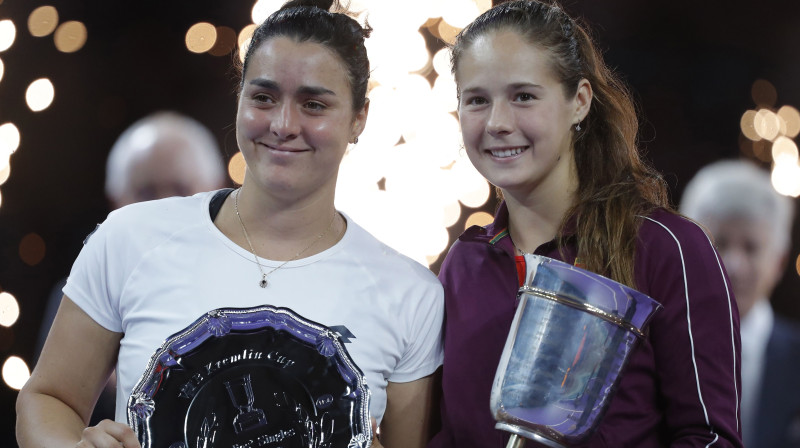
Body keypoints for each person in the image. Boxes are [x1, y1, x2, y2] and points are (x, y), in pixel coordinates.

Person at [16, 1, 444, 447]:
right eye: (263, 97)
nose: (283, 124)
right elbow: (46, 398)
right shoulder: (129, 238)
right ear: (239, 99)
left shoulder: (410, 294)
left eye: (314, 104)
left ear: (359, 119)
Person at [429, 1, 742, 447]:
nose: (497, 123)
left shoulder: (666, 247)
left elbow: (710, 438)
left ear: (579, 101)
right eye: (477, 100)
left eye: (523, 96)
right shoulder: (464, 264)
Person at [32, 110, 228, 426]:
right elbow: (53, 414)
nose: (163, 206)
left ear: (216, 191)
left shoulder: (249, 284)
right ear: (116, 201)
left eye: (181, 190)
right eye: (146, 192)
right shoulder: (82, 296)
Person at [681, 159, 800, 448]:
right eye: (720, 243)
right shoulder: (656, 348)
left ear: (779, 261)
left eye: (751, 247)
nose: (734, 265)